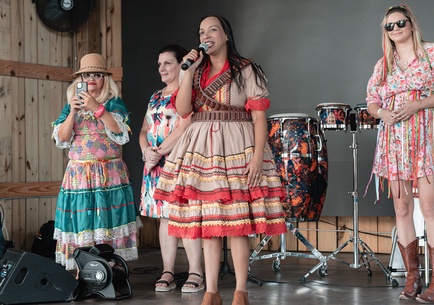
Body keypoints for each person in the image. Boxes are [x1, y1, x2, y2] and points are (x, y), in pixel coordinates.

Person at [153, 15, 287, 305]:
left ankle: (241, 291)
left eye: (212, 29)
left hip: (238, 144)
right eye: (201, 30)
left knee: (237, 223)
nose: (206, 34)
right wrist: (187, 71)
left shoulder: (246, 68)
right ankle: (211, 291)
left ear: (226, 35)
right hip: (201, 148)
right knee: (209, 225)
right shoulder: (195, 70)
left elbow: (259, 116)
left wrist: (255, 158)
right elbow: (185, 109)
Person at [366, 4, 434, 304]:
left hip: (427, 137)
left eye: (400, 22)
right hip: (394, 142)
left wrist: (417, 105)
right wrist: (383, 113)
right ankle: (412, 279)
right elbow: (370, 101)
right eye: (389, 26)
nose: (395, 29)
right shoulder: (384, 65)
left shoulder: (433, 53)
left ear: (411, 23)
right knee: (402, 209)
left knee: (429, 208)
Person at [52, 53, 141, 270]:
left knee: (108, 221)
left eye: (97, 74)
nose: (92, 78)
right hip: (79, 175)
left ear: (105, 79)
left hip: (108, 173)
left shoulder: (114, 102)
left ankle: (112, 268)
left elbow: (120, 131)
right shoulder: (71, 105)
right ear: (79, 80)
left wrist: (97, 108)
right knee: (83, 223)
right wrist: (73, 111)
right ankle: (84, 270)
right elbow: (61, 138)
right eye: (87, 75)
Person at [139, 44, 204, 293]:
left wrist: (159, 151)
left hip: (178, 161)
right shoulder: (156, 95)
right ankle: (168, 270)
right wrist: (146, 150)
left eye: (167, 63)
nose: (161, 68)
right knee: (165, 218)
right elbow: (144, 130)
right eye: (159, 64)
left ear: (181, 65)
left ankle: (196, 272)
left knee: (184, 216)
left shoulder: (189, 92)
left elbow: (186, 124)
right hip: (154, 164)